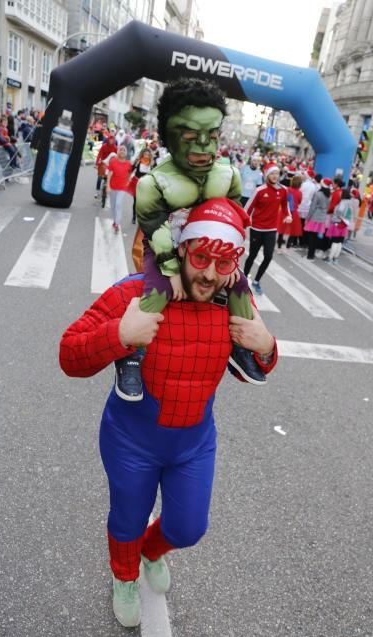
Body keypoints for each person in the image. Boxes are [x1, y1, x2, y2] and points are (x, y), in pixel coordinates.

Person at [59, 198, 278, 628]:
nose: (210, 274)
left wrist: (267, 345)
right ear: (180, 249)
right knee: (127, 518)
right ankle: (123, 577)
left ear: (236, 260)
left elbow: (255, 366)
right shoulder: (137, 292)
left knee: (187, 529)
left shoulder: (235, 300)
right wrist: (120, 334)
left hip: (193, 443)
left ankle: (149, 551)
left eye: (224, 261)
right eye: (200, 258)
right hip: (131, 441)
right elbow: (69, 355)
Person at [116, 77, 267, 403]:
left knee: (240, 285)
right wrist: (171, 267)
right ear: (170, 136)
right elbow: (152, 225)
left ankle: (240, 346)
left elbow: (236, 216)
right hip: (167, 248)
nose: (202, 147)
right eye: (189, 137)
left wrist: (230, 261)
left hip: (208, 250)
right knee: (154, 293)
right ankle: (132, 354)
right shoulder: (154, 182)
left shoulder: (228, 174)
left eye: (210, 136)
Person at [243, 162, 292, 293]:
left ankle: (257, 280)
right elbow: (247, 208)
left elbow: (285, 205)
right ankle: (242, 281)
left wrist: (288, 215)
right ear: (267, 175)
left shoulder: (283, 190)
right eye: (272, 173)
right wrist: (241, 224)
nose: (275, 176)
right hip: (257, 229)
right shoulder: (259, 190)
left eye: (277, 173)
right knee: (252, 255)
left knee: (268, 256)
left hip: (271, 230)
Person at [107, 145, 132, 232]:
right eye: (120, 150)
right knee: (113, 206)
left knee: (118, 204)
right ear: (118, 151)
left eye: (124, 150)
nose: (122, 151)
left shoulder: (129, 164)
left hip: (122, 188)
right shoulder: (113, 161)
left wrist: (128, 181)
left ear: (126, 153)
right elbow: (109, 174)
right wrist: (108, 186)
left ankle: (117, 223)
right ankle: (114, 221)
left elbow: (130, 173)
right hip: (113, 187)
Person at [305, 178, 332, 260]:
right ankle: (312, 254)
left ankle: (310, 255)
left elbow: (312, 207)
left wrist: (308, 218)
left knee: (311, 237)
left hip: (315, 216)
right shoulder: (329, 195)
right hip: (322, 218)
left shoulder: (318, 194)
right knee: (316, 236)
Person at [128, 147, 154, 224]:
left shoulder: (151, 163)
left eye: (148, 155)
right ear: (142, 154)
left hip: (146, 184)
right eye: (145, 154)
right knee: (136, 201)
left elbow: (154, 174)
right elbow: (131, 169)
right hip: (137, 183)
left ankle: (142, 218)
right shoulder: (138, 161)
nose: (146, 156)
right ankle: (134, 217)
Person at [325, 188, 352, 263]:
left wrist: (338, 216)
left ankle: (330, 258)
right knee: (340, 242)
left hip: (338, 222)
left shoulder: (343, 202)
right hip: (345, 224)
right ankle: (335, 258)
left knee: (335, 241)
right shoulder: (350, 202)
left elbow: (340, 210)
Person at [283, 174, 303, 250]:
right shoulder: (299, 192)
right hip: (294, 211)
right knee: (294, 228)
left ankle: (280, 241)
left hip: (286, 210)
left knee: (283, 226)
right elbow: (300, 201)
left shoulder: (287, 189)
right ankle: (289, 243)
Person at [94, 133, 117, 198]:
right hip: (103, 163)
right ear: (108, 139)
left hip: (110, 164)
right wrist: (96, 164)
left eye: (112, 139)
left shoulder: (115, 148)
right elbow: (99, 155)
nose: (111, 141)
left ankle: (110, 190)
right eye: (110, 139)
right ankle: (97, 192)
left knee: (111, 178)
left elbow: (116, 158)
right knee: (99, 178)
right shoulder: (104, 146)